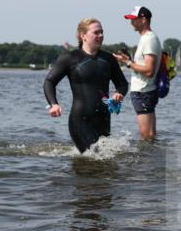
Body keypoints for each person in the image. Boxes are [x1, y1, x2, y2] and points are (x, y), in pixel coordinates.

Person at [44, 18, 128, 153]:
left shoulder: (108, 59)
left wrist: (120, 93)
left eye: (102, 32)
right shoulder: (70, 58)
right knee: (95, 156)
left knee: (105, 163)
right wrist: (54, 104)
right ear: (83, 35)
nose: (101, 35)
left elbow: (122, 83)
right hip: (80, 119)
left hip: (104, 118)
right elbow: (49, 82)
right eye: (96, 32)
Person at [112, 6, 160, 141]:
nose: (131, 22)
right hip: (145, 91)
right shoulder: (148, 38)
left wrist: (128, 64)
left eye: (134, 19)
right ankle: (151, 160)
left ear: (143, 19)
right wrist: (128, 60)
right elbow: (145, 66)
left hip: (143, 91)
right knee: (150, 135)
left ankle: (147, 161)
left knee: (147, 135)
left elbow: (149, 70)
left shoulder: (148, 39)